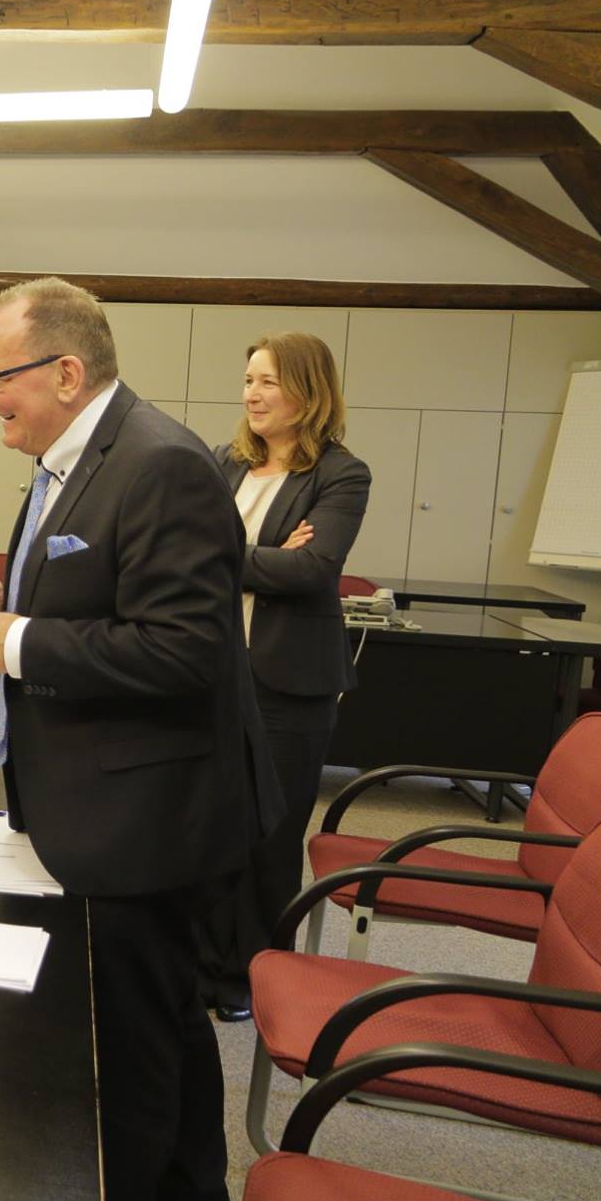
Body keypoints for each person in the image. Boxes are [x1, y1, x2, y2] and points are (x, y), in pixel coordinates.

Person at [0, 277, 276, 1201]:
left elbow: (186, 649)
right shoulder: (74, 455)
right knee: (165, 1031)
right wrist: (2, 597)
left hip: (146, 825)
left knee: (130, 1058)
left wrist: (17, 640)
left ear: (66, 372)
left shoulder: (162, 463)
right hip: (97, 804)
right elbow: (98, 588)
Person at [197, 333, 371, 1021]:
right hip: (212, 671)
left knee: (269, 834)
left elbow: (311, 570)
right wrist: (263, 554)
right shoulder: (224, 462)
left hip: (288, 682)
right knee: (208, 821)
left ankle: (250, 974)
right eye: (248, 380)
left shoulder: (340, 474)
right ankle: (201, 959)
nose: (252, 393)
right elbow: (181, 550)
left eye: (268, 381)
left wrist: (227, 555)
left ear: (308, 389)